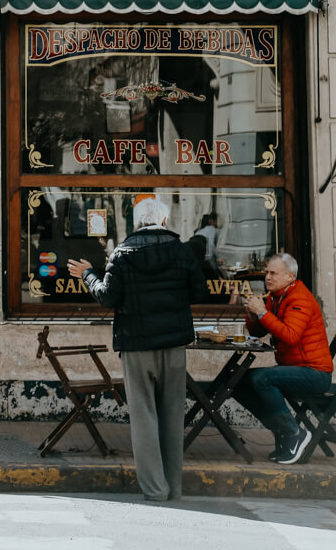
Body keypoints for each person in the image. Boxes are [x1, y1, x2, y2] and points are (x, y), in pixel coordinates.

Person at [67, 193, 208, 502]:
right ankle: (174, 487)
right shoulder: (182, 252)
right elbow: (200, 291)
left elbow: (107, 297)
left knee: (144, 418)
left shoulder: (123, 253)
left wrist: (88, 274)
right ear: (165, 220)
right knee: (172, 417)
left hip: (136, 345)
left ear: (137, 221)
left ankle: (155, 489)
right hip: (173, 345)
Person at [237, 253, 333, 464]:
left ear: (290, 276)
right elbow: (259, 332)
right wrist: (254, 317)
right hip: (295, 369)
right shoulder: (276, 296)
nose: (267, 277)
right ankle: (283, 431)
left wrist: (262, 313)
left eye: (273, 273)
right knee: (238, 382)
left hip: (314, 373)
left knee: (261, 379)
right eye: (267, 273)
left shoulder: (299, 298)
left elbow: (290, 335)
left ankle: (293, 433)